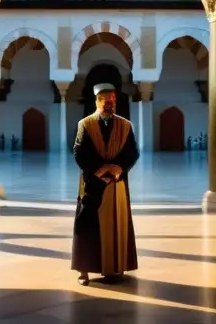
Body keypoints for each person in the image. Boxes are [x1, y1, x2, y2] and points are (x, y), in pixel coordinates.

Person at [71, 83, 139, 286]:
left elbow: (132, 152)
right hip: (93, 181)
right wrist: (98, 169)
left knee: (116, 225)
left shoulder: (125, 125)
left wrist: (118, 167)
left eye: (112, 100)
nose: (109, 104)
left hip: (117, 182)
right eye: (105, 100)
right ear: (97, 101)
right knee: (86, 224)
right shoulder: (85, 124)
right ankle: (84, 270)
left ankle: (112, 268)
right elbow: (79, 151)